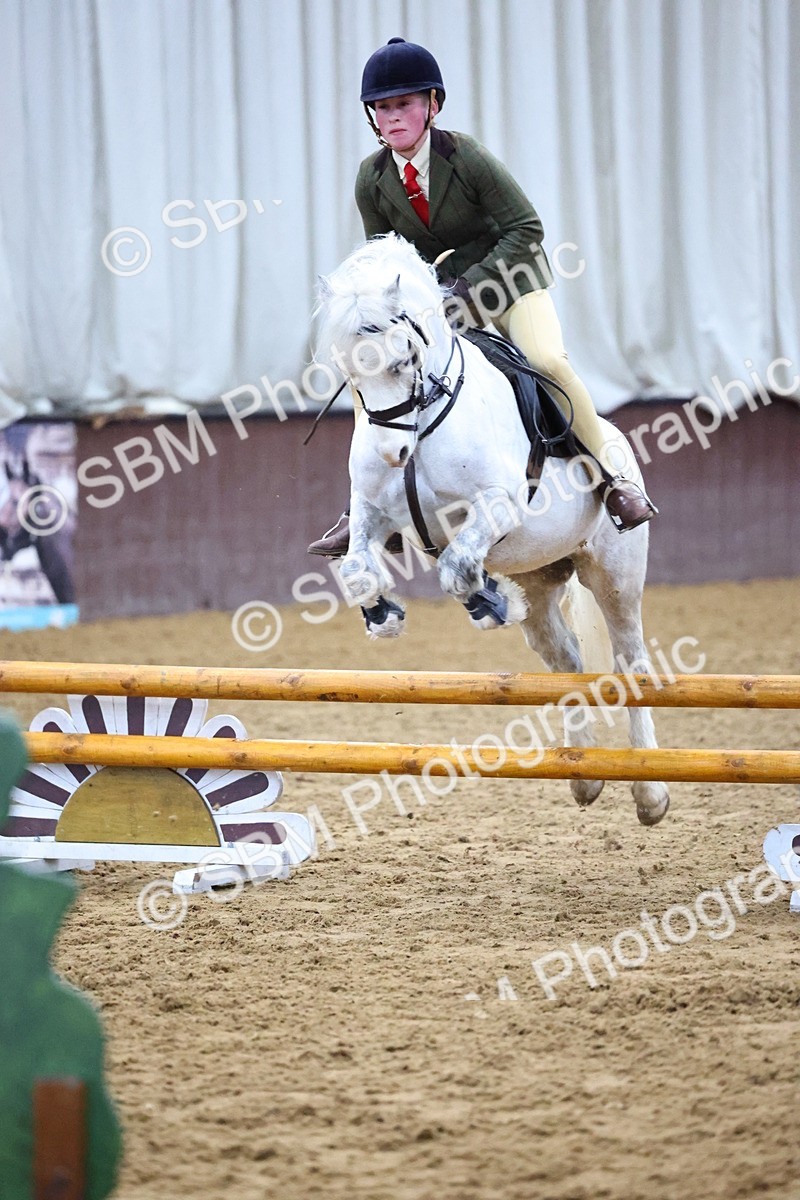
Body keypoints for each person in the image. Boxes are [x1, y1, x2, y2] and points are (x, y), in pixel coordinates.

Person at [308, 36, 657, 556]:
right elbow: (386, 261)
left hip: (508, 282)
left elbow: (527, 228)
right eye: (381, 107)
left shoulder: (466, 157)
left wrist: (470, 287)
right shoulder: (372, 178)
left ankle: (611, 481)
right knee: (378, 372)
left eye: (404, 103)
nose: (392, 116)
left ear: (432, 104)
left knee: (547, 362)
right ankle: (364, 509)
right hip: (441, 305)